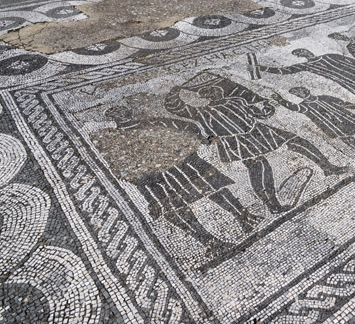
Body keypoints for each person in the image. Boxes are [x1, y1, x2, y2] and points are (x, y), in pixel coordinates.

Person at [163, 73, 348, 216]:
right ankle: (272, 205)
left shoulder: (237, 100)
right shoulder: (200, 112)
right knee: (259, 167)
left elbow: (260, 114)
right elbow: (175, 107)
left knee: (297, 141)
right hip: (235, 141)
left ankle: (327, 167)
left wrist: (268, 109)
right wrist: (174, 91)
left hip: (258, 130)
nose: (215, 92)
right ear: (204, 97)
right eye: (209, 92)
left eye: (215, 90)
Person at [105, 105, 262, 256]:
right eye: (119, 115)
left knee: (211, 184)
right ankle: (210, 242)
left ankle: (243, 217)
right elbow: (120, 166)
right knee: (174, 206)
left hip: (183, 162)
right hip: (157, 176)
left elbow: (185, 126)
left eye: (123, 113)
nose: (123, 117)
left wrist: (195, 140)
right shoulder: (117, 138)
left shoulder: (151, 122)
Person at [255, 48, 355, 124]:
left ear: (308, 52)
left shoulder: (330, 55)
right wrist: (261, 68)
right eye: (299, 55)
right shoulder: (308, 66)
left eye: (303, 52)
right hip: (349, 84)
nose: (303, 55)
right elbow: (285, 71)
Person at [273, 87, 355, 164]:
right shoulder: (304, 106)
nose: (300, 94)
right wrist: (280, 99)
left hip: (346, 116)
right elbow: (294, 108)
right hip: (330, 123)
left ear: (307, 90)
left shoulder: (323, 97)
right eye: (298, 94)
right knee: (346, 137)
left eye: (301, 91)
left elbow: (343, 103)